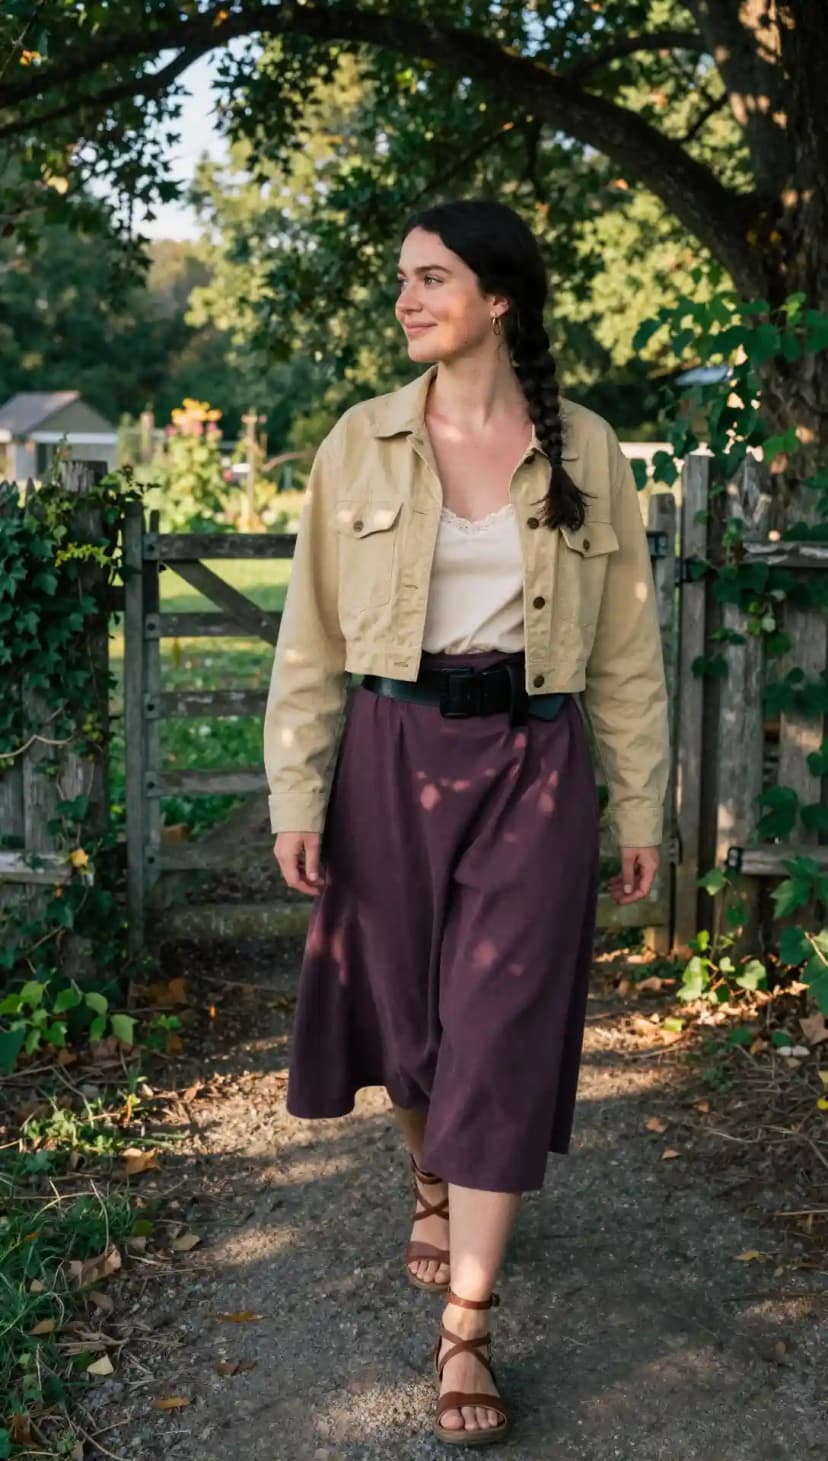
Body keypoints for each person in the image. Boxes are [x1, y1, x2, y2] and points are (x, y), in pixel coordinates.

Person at [264, 198, 670, 1447]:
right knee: (407, 1010)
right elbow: (312, 634)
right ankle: (430, 1176)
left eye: (431, 279)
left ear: (500, 297)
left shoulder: (587, 449)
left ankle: (468, 1332)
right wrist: (298, 789)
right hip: (390, 753)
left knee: (501, 1026)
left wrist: (640, 801)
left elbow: (626, 652)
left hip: (535, 762)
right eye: (402, 280)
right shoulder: (361, 440)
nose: (406, 299)